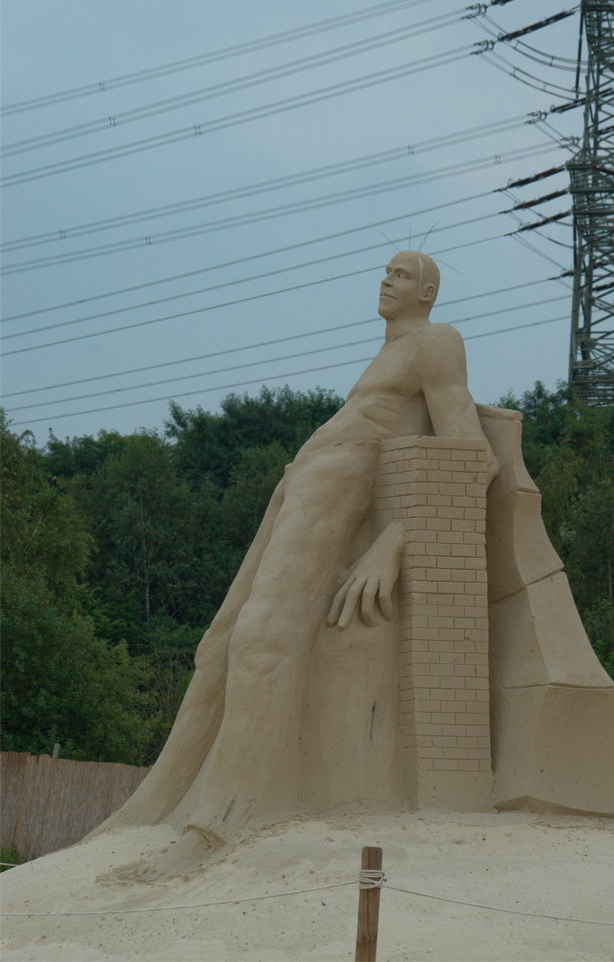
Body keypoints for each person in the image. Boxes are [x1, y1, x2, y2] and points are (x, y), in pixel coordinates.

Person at [104, 250, 499, 877]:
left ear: (427, 292)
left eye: (400, 274)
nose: (385, 280)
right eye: (385, 271)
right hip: (301, 492)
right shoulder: (388, 354)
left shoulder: (437, 342)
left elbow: (472, 459)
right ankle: (153, 806)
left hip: (338, 499)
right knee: (219, 644)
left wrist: (394, 540)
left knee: (263, 642)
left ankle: (220, 826)